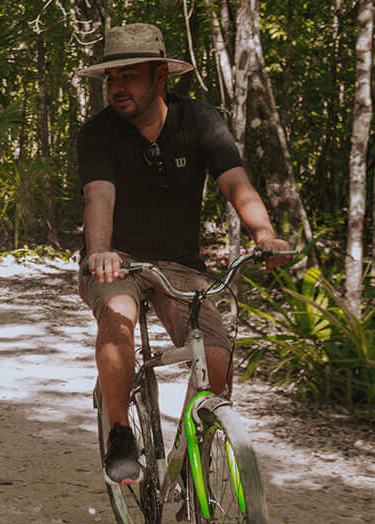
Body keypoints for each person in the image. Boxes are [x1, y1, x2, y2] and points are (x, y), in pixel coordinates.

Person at [75, 23, 290, 487]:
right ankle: (119, 433)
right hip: (119, 259)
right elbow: (99, 198)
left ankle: (201, 445)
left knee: (215, 358)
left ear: (160, 77)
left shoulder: (199, 120)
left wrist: (264, 234)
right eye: (111, 79)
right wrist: (100, 253)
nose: (117, 88)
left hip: (179, 263)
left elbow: (234, 181)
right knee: (118, 315)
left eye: (128, 76)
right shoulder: (98, 133)